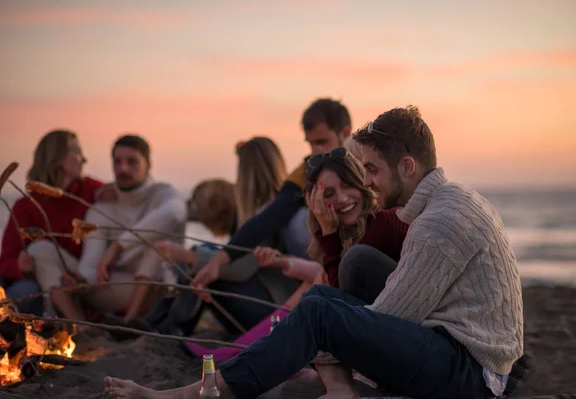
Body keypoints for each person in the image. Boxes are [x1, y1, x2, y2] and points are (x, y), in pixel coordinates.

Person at [105, 105, 523, 399]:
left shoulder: (438, 223)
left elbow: (386, 319)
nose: (370, 183)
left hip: (472, 375)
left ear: (408, 166)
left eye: (373, 170)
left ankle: (199, 393)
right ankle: (222, 386)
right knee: (321, 300)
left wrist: (314, 349)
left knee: (319, 312)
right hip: (459, 351)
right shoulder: (450, 201)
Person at [184, 148, 409, 362]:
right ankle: (243, 350)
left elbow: (338, 290)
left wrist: (328, 234)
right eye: (329, 193)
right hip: (376, 322)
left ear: (363, 185)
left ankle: (242, 350)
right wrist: (283, 261)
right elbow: (327, 276)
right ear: (316, 201)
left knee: (318, 291)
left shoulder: (383, 222)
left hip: (402, 330)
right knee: (313, 288)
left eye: (348, 186)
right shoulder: (351, 229)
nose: (341, 199)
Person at [191, 98, 352, 292]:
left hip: (359, 253)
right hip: (321, 262)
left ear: (345, 134)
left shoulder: (364, 163)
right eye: (310, 144)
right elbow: (269, 217)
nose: (315, 151)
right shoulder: (306, 171)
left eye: (322, 142)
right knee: (293, 219)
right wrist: (218, 260)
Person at [150, 137, 302, 335]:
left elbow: (242, 268)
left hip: (275, 309)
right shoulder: (274, 206)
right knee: (198, 266)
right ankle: (162, 326)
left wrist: (189, 256)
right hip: (265, 304)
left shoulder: (270, 212)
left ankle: (166, 329)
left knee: (198, 269)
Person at [41, 134, 186, 324]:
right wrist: (82, 281)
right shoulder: (103, 208)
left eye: (132, 162)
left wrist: (118, 246)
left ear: (148, 165)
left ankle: (129, 322)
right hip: (112, 288)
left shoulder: (163, 194)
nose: (123, 169)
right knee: (40, 249)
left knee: (158, 244)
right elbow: (91, 263)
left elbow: (173, 214)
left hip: (155, 290)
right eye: (117, 162)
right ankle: (80, 326)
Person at [0, 129, 103, 316]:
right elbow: (5, 261)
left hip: (81, 278)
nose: (84, 159)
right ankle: (74, 324)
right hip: (42, 283)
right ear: (57, 157)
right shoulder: (26, 206)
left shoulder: (91, 191)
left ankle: (79, 324)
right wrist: (21, 268)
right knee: (25, 291)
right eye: (77, 152)